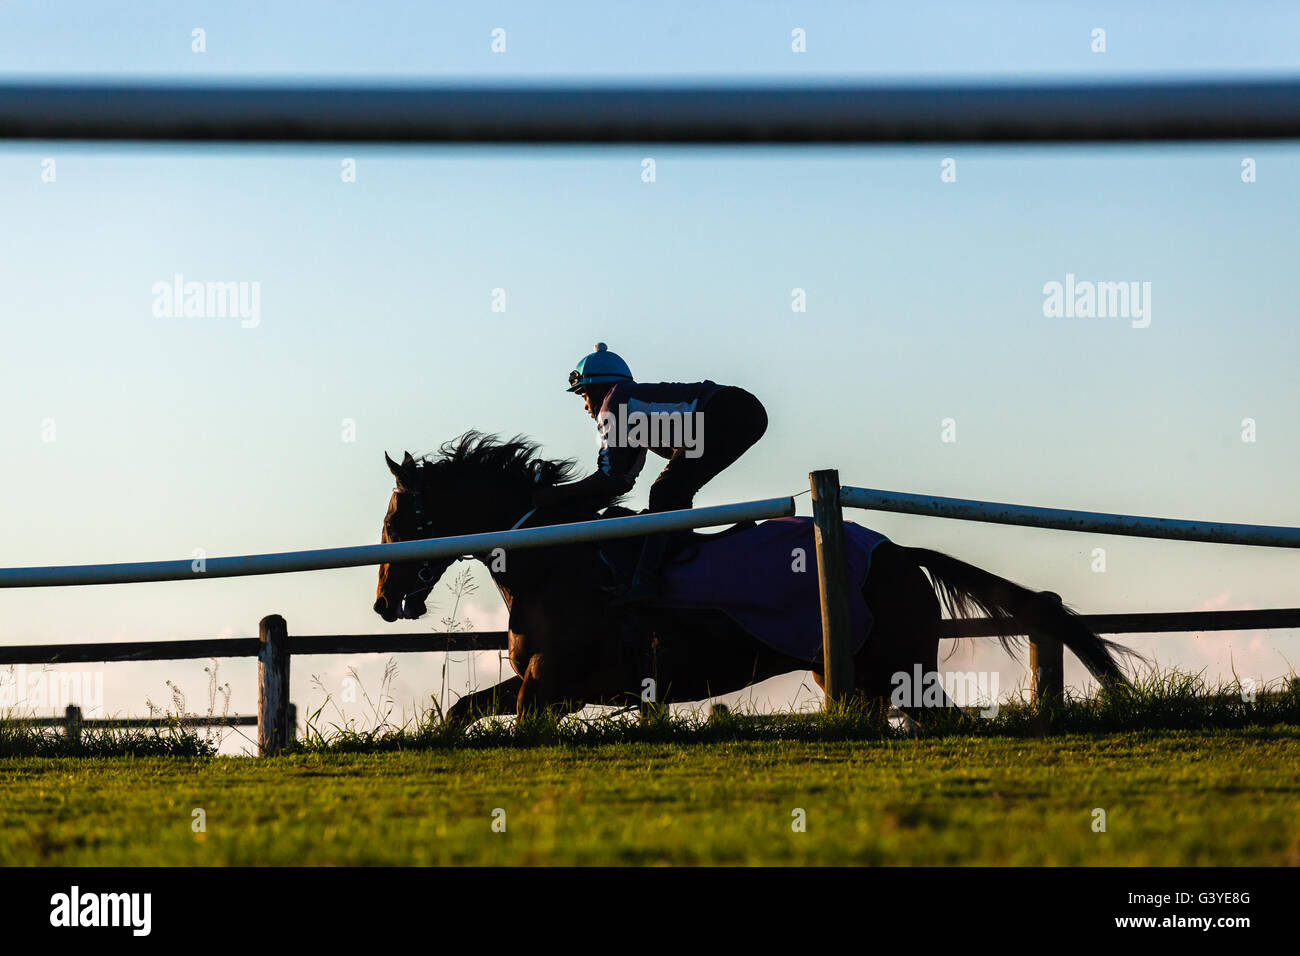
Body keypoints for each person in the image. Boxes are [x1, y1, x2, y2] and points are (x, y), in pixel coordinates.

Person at [534, 343, 768, 603]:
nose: (586, 406)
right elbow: (622, 481)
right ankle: (681, 554)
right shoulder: (633, 404)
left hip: (728, 409)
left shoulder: (612, 405)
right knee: (673, 492)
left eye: (584, 395)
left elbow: (610, 477)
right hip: (737, 408)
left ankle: (645, 583)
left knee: (666, 491)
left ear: (599, 388)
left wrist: (558, 495)